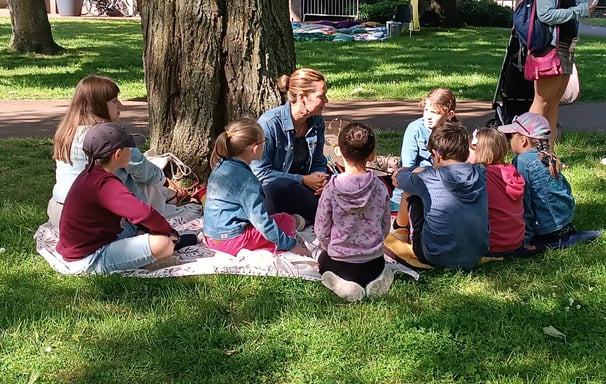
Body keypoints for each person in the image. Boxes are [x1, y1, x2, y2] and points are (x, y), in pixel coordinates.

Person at [56, 123, 179, 274]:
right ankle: (156, 253)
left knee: (139, 226)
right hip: (89, 258)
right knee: (163, 243)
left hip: (94, 241)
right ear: (118, 154)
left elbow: (136, 213)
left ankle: (149, 246)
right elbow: (144, 213)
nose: (132, 152)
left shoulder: (90, 174)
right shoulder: (105, 185)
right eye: (129, 149)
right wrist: (168, 230)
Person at [48, 75, 167, 228]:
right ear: (97, 105)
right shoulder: (108, 137)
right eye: (114, 101)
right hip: (93, 220)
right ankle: (147, 226)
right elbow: (144, 171)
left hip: (59, 213)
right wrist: (164, 180)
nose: (121, 105)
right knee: (144, 180)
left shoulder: (66, 132)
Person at [203, 118, 311, 257]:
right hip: (231, 241)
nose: (265, 145)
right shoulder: (247, 181)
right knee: (286, 220)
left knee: (281, 220)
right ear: (255, 148)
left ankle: (294, 225)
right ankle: (279, 246)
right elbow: (261, 222)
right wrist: (292, 245)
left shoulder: (221, 165)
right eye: (264, 141)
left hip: (211, 237)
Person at [391, 120, 490, 271]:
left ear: (437, 155)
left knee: (411, 190)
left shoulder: (428, 177)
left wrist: (412, 169)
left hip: (434, 254)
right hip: (475, 253)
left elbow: (401, 179)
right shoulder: (480, 172)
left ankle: (399, 228)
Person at [314, 123, 393, 302]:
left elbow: (321, 228)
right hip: (374, 261)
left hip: (340, 262)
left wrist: (329, 246)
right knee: (379, 268)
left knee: (322, 260)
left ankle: (345, 285)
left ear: (339, 151)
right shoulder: (381, 188)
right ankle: (377, 279)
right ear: (372, 155)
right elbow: (385, 224)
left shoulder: (331, 189)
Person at [251, 68, 329, 224]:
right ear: (302, 97)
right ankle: (313, 217)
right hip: (276, 189)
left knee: (341, 185)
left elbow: (319, 161)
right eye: (321, 96)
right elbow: (261, 173)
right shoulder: (270, 124)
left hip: (305, 188)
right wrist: (303, 179)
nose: (326, 101)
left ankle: (303, 219)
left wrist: (321, 181)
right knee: (278, 189)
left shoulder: (317, 121)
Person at [498, 112, 576, 251]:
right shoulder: (549, 157)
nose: (509, 140)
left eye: (511, 136)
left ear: (523, 140)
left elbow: (523, 203)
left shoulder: (522, 161)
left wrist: (525, 239)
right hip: (564, 223)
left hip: (547, 230)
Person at [529, 0, 598, 152]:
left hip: (567, 46)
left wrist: (586, 6)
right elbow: (545, 14)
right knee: (543, 101)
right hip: (550, 47)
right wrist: (579, 10)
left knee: (554, 103)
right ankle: (528, 154)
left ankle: (550, 154)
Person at [391, 87, 457, 210]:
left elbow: (457, 167)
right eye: (426, 110)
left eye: (435, 112)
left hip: (442, 186)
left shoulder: (455, 134)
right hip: (415, 184)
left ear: (449, 115)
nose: (428, 116)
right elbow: (407, 166)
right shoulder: (415, 129)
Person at [468, 128, 528, 257]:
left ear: (478, 151)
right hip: (516, 242)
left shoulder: (481, 176)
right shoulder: (511, 171)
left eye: (470, 150)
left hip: (493, 245)